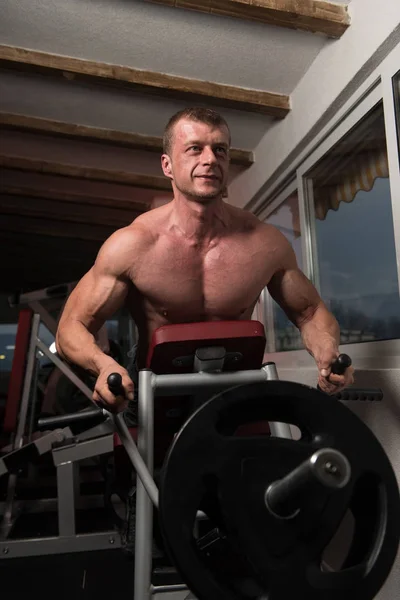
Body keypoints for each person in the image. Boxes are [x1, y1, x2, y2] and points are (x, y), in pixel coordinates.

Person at [56, 107, 354, 422]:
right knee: (153, 470)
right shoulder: (132, 245)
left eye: (220, 150)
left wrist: (327, 354)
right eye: (195, 148)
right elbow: (70, 329)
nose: (210, 159)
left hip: (234, 386)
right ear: (167, 165)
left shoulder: (265, 242)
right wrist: (104, 366)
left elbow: (310, 313)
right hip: (153, 391)